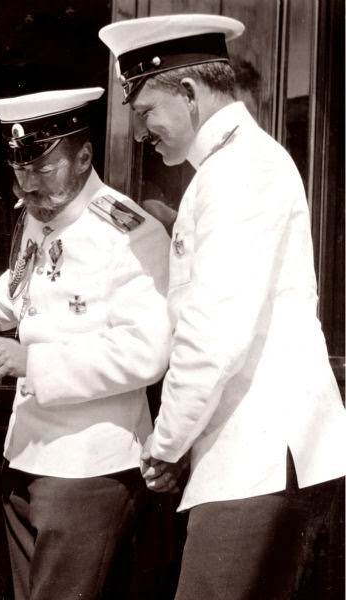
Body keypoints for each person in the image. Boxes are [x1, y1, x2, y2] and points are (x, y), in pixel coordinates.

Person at [100, 13, 346, 599]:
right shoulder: (232, 167)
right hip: (246, 458)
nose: (141, 135)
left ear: (188, 94)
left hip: (256, 458)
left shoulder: (239, 172)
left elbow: (213, 336)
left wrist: (165, 444)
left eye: (145, 114)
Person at [0, 88, 171, 599]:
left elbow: (146, 350)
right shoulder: (37, 218)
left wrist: (32, 363)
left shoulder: (128, 231)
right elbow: (17, 295)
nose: (28, 184)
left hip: (88, 464)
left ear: (84, 156)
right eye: (19, 170)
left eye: (43, 168)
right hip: (25, 456)